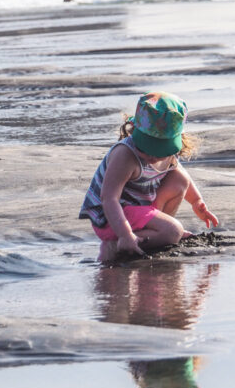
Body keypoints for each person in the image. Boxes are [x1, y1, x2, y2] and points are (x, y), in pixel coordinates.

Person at [79, 91, 218, 262]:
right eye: (147, 147)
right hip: (111, 217)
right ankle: (116, 245)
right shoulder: (125, 155)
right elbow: (109, 199)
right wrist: (125, 234)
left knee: (179, 178)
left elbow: (184, 180)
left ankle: (158, 232)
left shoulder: (168, 155)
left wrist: (197, 202)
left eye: (159, 149)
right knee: (174, 231)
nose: (153, 156)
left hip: (139, 210)